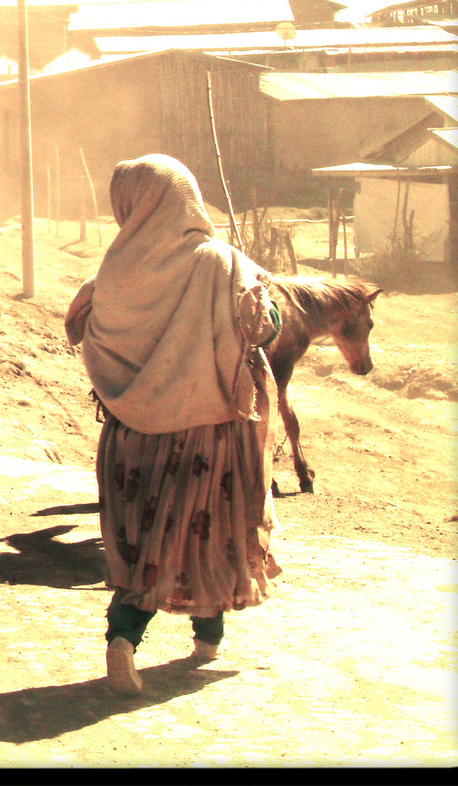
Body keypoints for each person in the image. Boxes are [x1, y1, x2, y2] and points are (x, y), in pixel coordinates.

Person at [63, 154, 284, 697]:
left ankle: (123, 641)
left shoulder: (110, 275)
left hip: (131, 437)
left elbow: (79, 332)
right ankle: (208, 639)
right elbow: (266, 329)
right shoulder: (221, 263)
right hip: (208, 434)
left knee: (143, 541)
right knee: (209, 535)